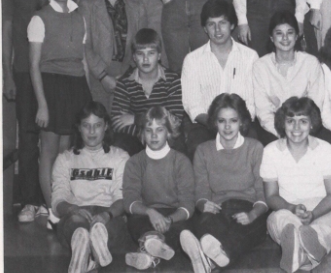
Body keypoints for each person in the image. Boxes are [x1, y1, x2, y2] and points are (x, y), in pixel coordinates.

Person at [27, 0, 92, 228]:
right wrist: (42, 104)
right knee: (50, 151)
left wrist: (88, 96)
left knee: (67, 152)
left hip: (76, 87)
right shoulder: (39, 18)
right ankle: (52, 208)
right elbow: (34, 66)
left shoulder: (80, 15)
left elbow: (84, 61)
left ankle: (64, 202)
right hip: (51, 88)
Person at [181, 94, 268, 272]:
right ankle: (213, 258)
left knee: (248, 229)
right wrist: (203, 204)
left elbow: (262, 190)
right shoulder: (203, 151)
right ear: (214, 123)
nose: (227, 126)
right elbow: (201, 190)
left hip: (249, 208)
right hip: (218, 208)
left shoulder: (255, 147)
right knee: (204, 222)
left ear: (242, 122)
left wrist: (253, 214)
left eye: (233, 120)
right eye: (221, 121)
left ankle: (207, 258)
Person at [3, 0, 54, 223]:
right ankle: (28, 201)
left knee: (55, 136)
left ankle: (52, 201)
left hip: (55, 71)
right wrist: (7, 75)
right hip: (23, 70)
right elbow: (6, 31)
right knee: (27, 135)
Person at [260, 97, 331, 273]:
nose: (296, 128)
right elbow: (271, 196)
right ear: (283, 123)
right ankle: (303, 252)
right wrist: (291, 208)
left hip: (322, 209)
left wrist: (314, 214)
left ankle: (308, 245)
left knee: (327, 226)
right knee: (278, 220)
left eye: (303, 121)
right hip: (287, 208)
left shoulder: (325, 149)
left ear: (312, 124)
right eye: (290, 121)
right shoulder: (271, 151)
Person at [51, 102, 129, 273]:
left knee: (106, 227)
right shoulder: (65, 159)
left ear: (106, 126)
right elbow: (57, 200)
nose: (92, 131)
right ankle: (86, 248)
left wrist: (107, 215)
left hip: (108, 212)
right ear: (79, 128)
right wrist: (72, 209)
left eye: (97, 125)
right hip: (76, 212)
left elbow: (122, 197)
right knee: (76, 225)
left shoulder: (120, 157)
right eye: (86, 126)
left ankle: (91, 253)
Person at [181, 0, 259, 156]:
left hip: (241, 124)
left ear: (231, 25)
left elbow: (252, 103)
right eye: (211, 24)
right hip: (205, 125)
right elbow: (193, 106)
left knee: (254, 148)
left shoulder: (250, 57)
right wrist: (217, 124)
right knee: (198, 149)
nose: (217, 29)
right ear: (205, 28)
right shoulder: (192, 60)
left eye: (222, 23)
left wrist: (233, 124)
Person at [123, 105, 195, 270]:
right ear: (142, 134)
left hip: (174, 215)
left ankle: (147, 254)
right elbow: (129, 201)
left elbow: (188, 206)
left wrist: (169, 220)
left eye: (160, 129)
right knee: (135, 222)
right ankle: (153, 249)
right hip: (146, 214)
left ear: (168, 133)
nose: (154, 135)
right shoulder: (134, 162)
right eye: (149, 130)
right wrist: (150, 212)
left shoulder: (181, 161)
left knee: (183, 230)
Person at [81, 0, 147, 110]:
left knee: (123, 128)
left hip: (129, 76)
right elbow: (85, 46)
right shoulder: (87, 6)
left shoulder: (138, 9)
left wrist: (128, 74)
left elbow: (142, 47)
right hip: (96, 75)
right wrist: (103, 77)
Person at [253, 11, 326, 144]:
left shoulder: (310, 62)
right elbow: (263, 111)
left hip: (306, 127)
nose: (285, 38)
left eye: (290, 32)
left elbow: (316, 104)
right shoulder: (260, 66)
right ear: (271, 37)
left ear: (297, 35)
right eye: (279, 33)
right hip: (273, 130)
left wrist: (302, 131)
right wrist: (283, 134)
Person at [111, 28, 183, 157]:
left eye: (151, 53)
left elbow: (175, 121)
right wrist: (147, 134)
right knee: (118, 143)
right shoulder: (124, 83)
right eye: (140, 54)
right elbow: (117, 123)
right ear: (134, 57)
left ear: (159, 56)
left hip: (166, 140)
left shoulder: (172, 80)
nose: (145, 59)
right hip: (137, 140)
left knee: (179, 144)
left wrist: (136, 119)